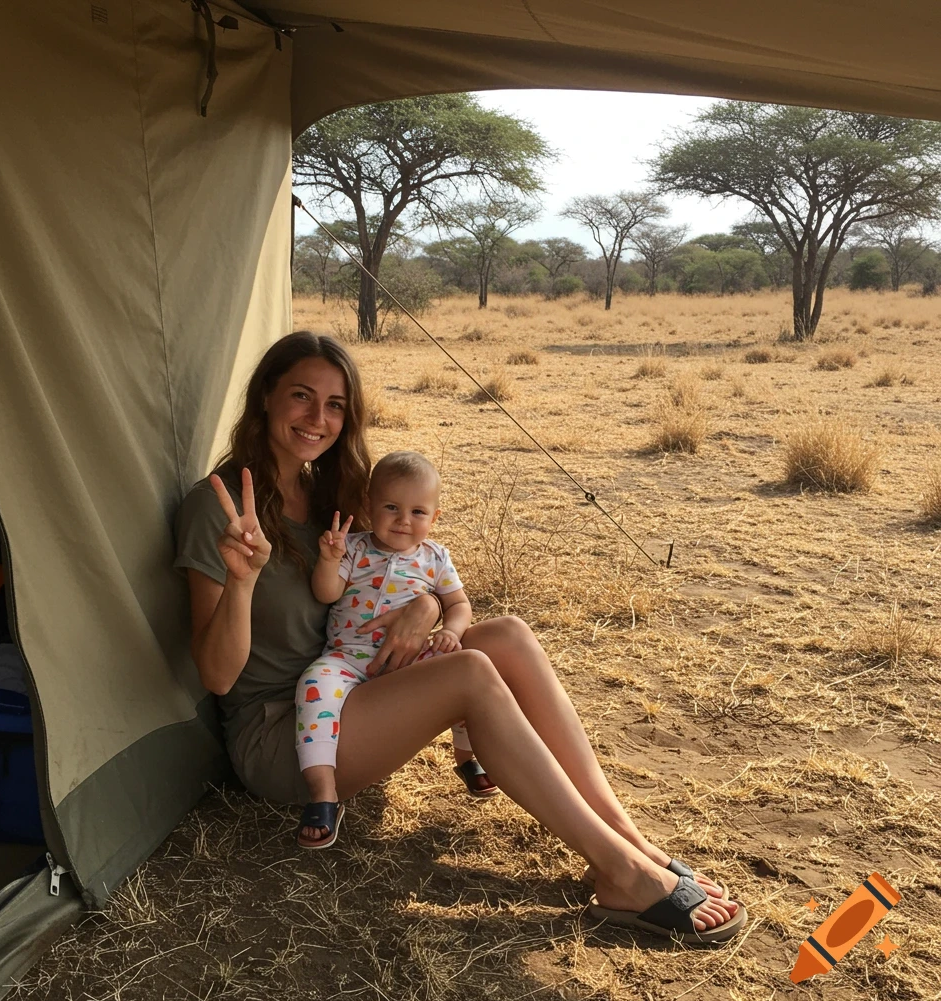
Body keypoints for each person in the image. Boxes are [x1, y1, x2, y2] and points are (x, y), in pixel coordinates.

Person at [175, 330, 746, 944]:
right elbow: (217, 676)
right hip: (283, 731)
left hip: (357, 684)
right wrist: (241, 582)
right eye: (300, 396)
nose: (318, 418)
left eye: (335, 404)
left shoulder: (331, 495)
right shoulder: (221, 510)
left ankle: (629, 837)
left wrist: (425, 605)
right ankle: (622, 875)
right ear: (264, 397)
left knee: (505, 635)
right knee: (470, 672)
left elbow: (400, 565)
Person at [295, 450, 497, 849]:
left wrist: (452, 632)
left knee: (466, 668)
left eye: (418, 512)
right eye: (391, 507)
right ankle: (322, 794)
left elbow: (459, 605)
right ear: (369, 506)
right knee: (313, 686)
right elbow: (326, 592)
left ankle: (466, 755)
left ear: (434, 517)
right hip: (347, 657)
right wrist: (328, 559)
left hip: (408, 661)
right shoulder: (353, 548)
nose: (404, 521)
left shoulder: (436, 557)